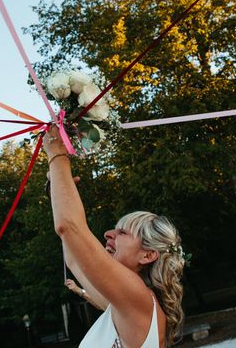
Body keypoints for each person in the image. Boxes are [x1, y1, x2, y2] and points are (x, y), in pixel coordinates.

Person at [44, 125, 185, 348]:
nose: (109, 234)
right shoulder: (121, 303)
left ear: (148, 255)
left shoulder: (138, 298)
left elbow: (70, 227)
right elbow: (72, 257)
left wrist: (57, 153)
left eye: (123, 232)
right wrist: (58, 188)